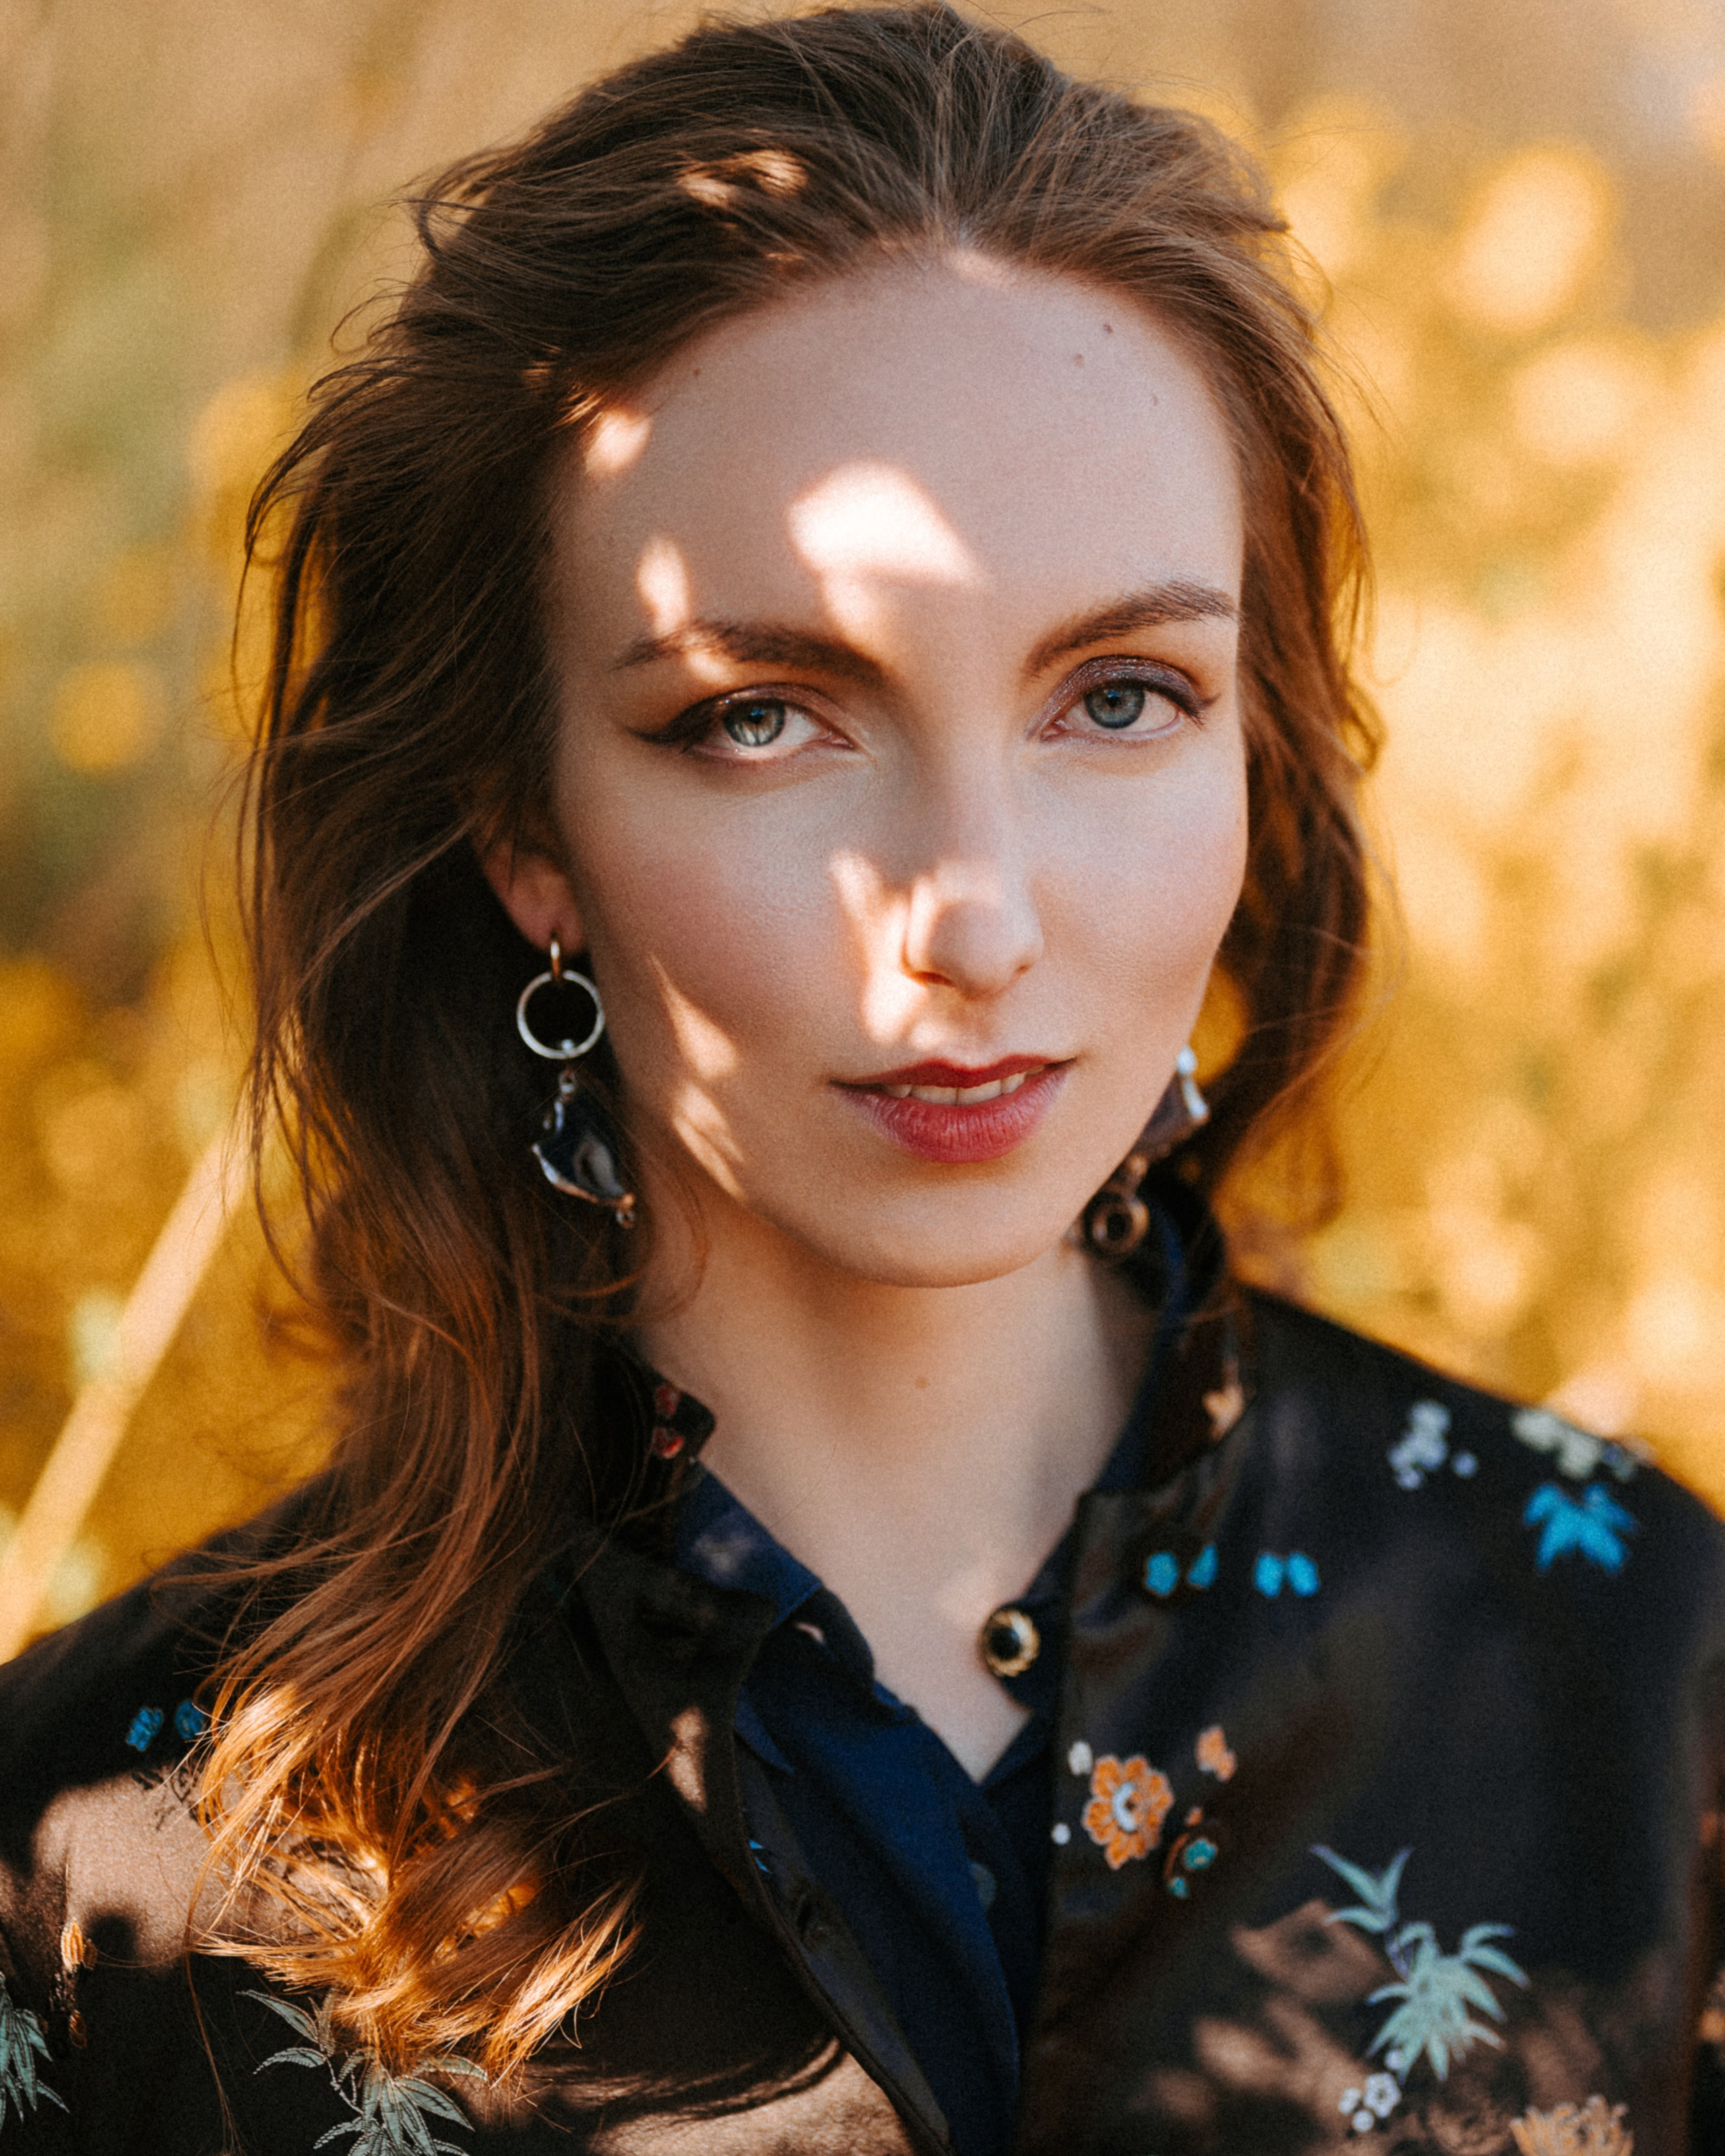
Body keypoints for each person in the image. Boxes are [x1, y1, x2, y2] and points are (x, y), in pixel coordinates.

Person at [1, 7, 1721, 2152]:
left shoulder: (1633, 1667)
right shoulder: (106, 1864)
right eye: (761, 716)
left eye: (1122, 696)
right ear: (522, 825)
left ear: (1258, 754)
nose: (973, 915)